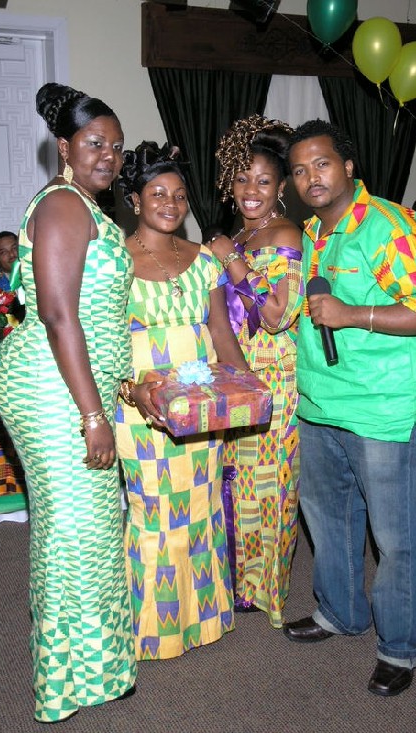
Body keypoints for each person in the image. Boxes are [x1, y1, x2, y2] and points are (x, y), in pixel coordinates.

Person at [283, 119, 416, 697]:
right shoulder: (313, 233)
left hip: (383, 408)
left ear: (349, 166)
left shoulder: (390, 225)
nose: (311, 177)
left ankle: (401, 647)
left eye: (322, 163)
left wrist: (352, 314)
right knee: (330, 522)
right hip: (323, 405)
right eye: (300, 170)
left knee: (396, 536)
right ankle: (340, 612)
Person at [0, 83, 136, 723]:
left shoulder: (85, 205)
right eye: (94, 143)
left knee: (95, 529)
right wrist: (92, 414)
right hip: (53, 389)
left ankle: (100, 668)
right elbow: (55, 314)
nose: (107, 155)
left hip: (74, 385)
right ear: (65, 147)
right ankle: (67, 682)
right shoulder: (61, 206)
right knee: (74, 531)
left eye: (116, 146)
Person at [115, 140, 248, 660]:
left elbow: (220, 329)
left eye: (179, 194)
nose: (171, 203)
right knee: (153, 510)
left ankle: (204, 620)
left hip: (202, 403)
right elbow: (100, 341)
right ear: (135, 200)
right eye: (158, 193)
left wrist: (245, 386)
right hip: (142, 402)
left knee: (200, 503)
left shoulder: (203, 261)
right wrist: (129, 389)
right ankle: (152, 629)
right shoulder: (114, 260)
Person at [209, 114, 304, 626]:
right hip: (237, 375)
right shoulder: (242, 235)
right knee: (238, 480)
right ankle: (239, 581)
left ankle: (267, 590)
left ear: (281, 186)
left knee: (269, 486)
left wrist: (232, 261)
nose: (251, 190)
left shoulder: (284, 232)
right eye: (242, 179)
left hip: (274, 379)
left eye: (264, 181)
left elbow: (277, 315)